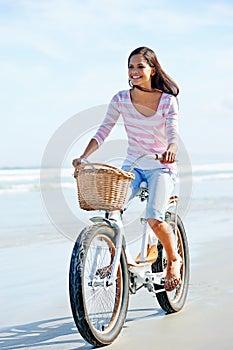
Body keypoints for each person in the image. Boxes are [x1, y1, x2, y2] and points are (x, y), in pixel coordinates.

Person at [72, 46, 180, 291]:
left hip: (160, 167)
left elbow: (173, 134)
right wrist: (83, 156)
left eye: (140, 66)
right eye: (131, 66)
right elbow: (103, 131)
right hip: (132, 166)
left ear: (153, 69)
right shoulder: (121, 99)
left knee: (154, 218)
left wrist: (171, 148)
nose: (134, 71)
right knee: (113, 211)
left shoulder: (167, 101)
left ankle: (174, 259)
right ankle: (117, 262)